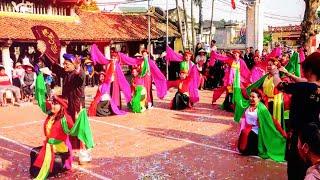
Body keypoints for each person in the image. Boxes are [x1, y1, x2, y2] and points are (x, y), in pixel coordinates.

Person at [273, 52, 320, 180]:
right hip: (314, 136)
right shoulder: (314, 87)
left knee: (296, 171)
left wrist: (275, 73)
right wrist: (288, 74)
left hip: (299, 138)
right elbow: (305, 83)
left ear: (309, 70)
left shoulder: (303, 87)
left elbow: (279, 85)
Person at [30, 96, 94, 179]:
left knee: (47, 164)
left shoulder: (65, 119)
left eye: (55, 104)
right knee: (33, 153)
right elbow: (41, 102)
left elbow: (75, 130)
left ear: (62, 106)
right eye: (52, 103)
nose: (52, 106)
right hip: (49, 146)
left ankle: (61, 165)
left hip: (60, 148)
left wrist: (78, 119)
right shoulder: (51, 115)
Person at [237, 89, 287, 161]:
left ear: (259, 98)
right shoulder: (247, 105)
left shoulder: (262, 109)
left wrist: (282, 132)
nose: (251, 98)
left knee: (245, 151)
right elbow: (239, 99)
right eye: (250, 96)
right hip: (247, 130)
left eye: (253, 97)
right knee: (241, 149)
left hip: (257, 132)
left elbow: (273, 121)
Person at [51, 54, 86, 152]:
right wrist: (46, 53)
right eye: (64, 63)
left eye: (67, 64)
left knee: (79, 127)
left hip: (76, 104)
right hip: (66, 103)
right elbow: (56, 67)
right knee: (65, 124)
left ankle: (83, 151)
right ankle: (66, 146)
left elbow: (81, 77)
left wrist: (78, 67)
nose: (64, 65)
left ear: (73, 64)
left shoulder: (77, 74)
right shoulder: (66, 73)